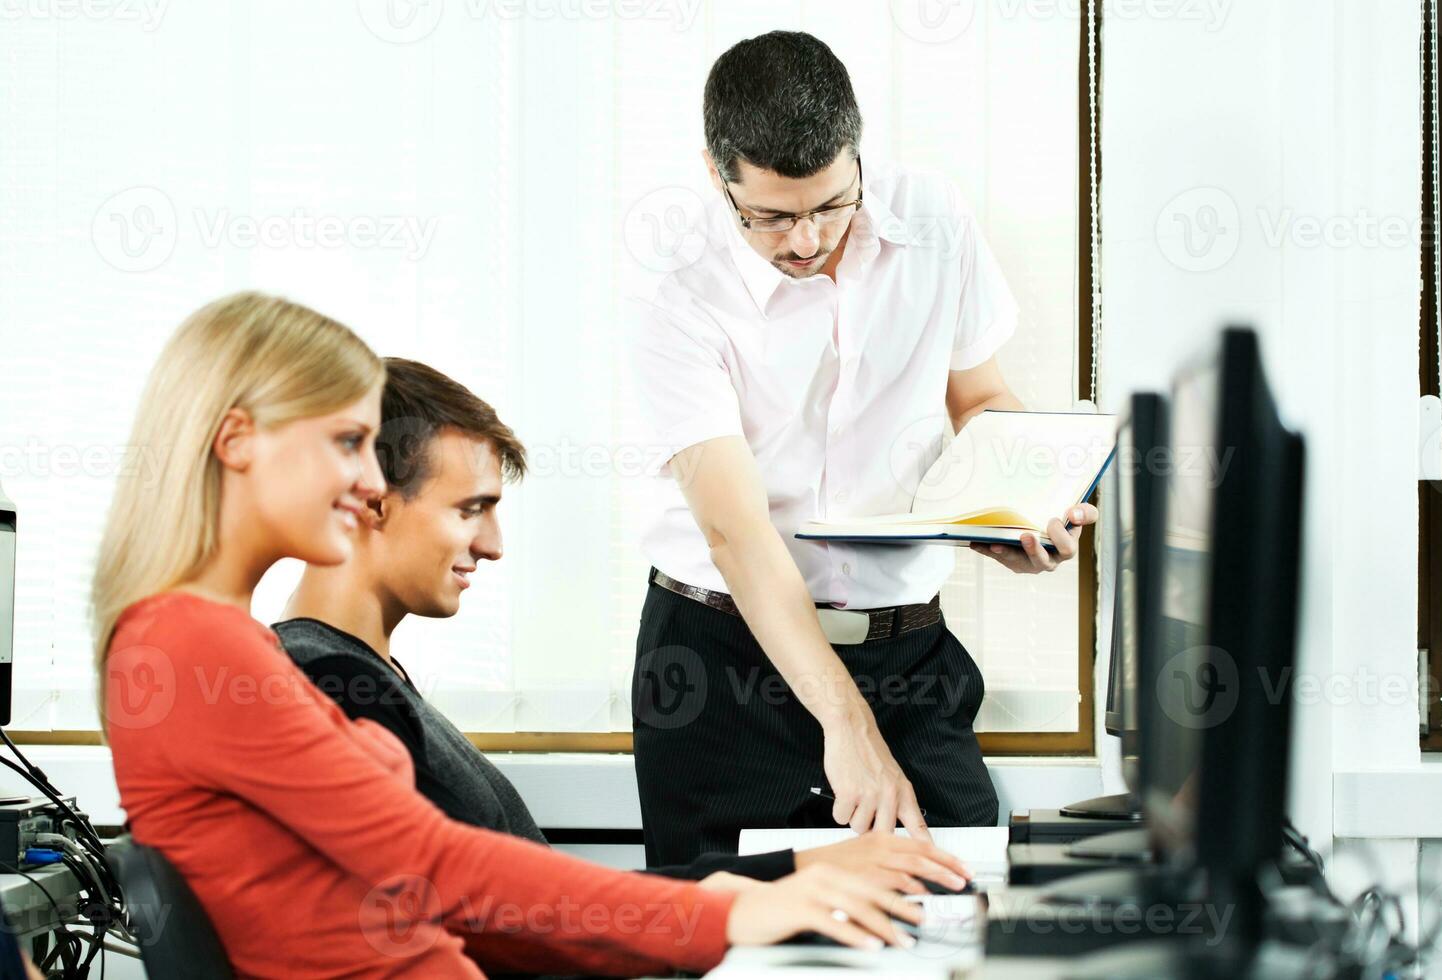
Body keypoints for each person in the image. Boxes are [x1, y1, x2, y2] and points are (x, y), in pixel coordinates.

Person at [93, 292, 924, 979]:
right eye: (347, 442)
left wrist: (764, 887)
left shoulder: (218, 643)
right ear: (234, 439)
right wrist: (735, 906)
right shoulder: (191, 646)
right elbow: (436, 866)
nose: (371, 481)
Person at [627, 31, 1100, 866]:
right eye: (771, 216)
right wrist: (845, 724)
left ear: (858, 153)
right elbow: (736, 535)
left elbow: (980, 396)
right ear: (716, 173)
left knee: (962, 905)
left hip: (907, 650)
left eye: (831, 205)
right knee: (741, 935)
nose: (806, 240)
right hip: (723, 664)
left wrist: (1024, 511)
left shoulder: (933, 218)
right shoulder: (677, 285)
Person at [273, 356, 974, 897]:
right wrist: (784, 881)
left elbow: (520, 903)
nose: (493, 545)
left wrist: (798, 873)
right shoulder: (328, 683)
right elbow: (500, 917)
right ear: (368, 503)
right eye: (469, 510)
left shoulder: (359, 674)